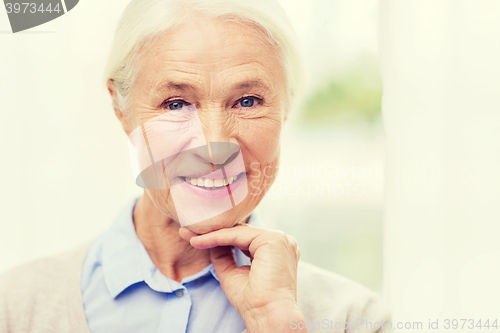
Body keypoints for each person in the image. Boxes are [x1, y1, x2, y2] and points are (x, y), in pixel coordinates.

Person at [0, 0, 391, 332]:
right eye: (176, 104)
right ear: (121, 109)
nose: (213, 145)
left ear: (286, 107)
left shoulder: (354, 320)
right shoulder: (17, 308)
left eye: (248, 101)